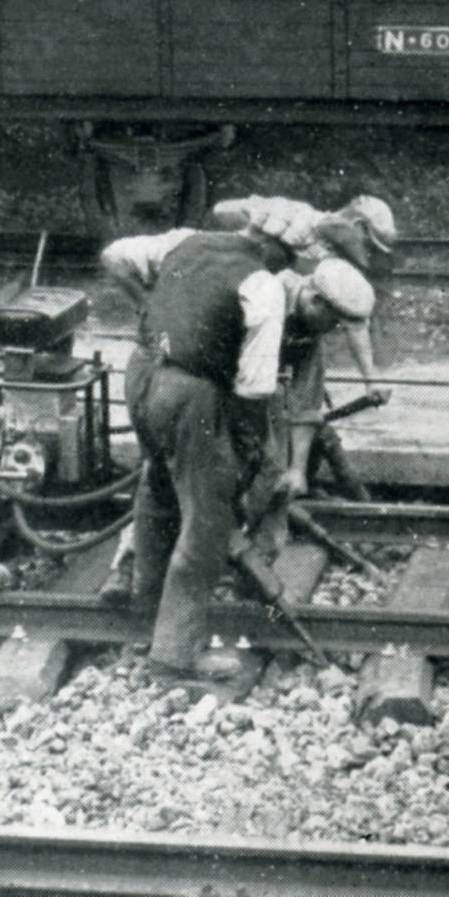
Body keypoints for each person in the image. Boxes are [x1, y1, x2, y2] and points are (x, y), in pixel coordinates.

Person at [111, 232, 373, 681]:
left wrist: (150, 313)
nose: (329, 331)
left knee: (159, 489)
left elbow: (114, 256)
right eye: (329, 319)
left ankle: (144, 616)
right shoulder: (266, 293)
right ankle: (173, 657)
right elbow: (254, 391)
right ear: (311, 294)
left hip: (142, 371)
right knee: (208, 526)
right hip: (189, 394)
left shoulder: (192, 243)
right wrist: (248, 460)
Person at [209, 192, 395, 400]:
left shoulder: (344, 263)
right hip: (243, 326)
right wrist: (258, 218)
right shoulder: (300, 218)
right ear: (358, 226)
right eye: (368, 245)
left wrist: (370, 379)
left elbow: (356, 322)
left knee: (305, 404)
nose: (367, 254)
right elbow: (221, 210)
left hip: (298, 340)